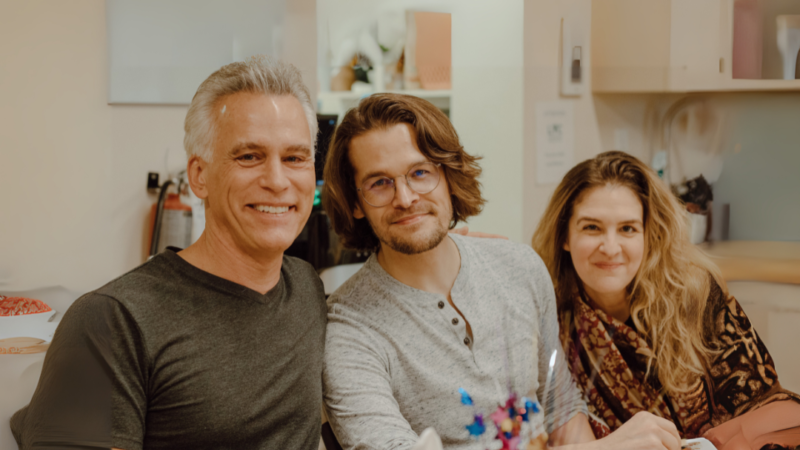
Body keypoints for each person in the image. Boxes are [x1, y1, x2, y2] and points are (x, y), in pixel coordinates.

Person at [321, 94, 684, 450]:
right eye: (379, 183)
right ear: (355, 203)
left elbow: (560, 409)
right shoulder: (349, 328)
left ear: (448, 176)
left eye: (420, 173)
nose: (405, 197)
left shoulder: (519, 267)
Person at [11, 56, 326, 450]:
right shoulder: (110, 322)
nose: (278, 181)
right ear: (199, 176)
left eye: (295, 158)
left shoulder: (307, 289)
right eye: (249, 156)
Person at [531, 151, 800, 443]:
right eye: (591, 227)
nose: (610, 247)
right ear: (565, 237)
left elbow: (764, 401)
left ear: (649, 235)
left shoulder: (694, 294)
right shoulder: (549, 318)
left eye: (627, 229)